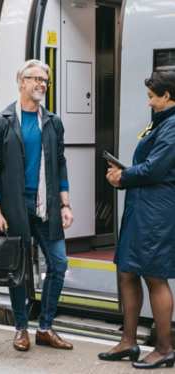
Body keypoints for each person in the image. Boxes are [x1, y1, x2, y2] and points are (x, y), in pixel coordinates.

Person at [0, 59, 74, 351]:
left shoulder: (52, 122)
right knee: (18, 271)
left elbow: (60, 162)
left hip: (45, 206)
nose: (40, 84)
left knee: (59, 263)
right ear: (21, 82)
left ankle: (45, 327)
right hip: (14, 207)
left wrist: (65, 202)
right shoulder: (1, 122)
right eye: (34, 79)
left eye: (44, 80)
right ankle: (21, 328)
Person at [98, 70, 175, 369]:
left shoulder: (172, 126)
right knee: (128, 271)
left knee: (154, 275)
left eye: (152, 97)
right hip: (142, 208)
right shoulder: (161, 124)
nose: (148, 102)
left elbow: (156, 169)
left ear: (167, 96)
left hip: (157, 212)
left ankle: (165, 348)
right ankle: (128, 342)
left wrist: (123, 176)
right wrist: (125, 175)